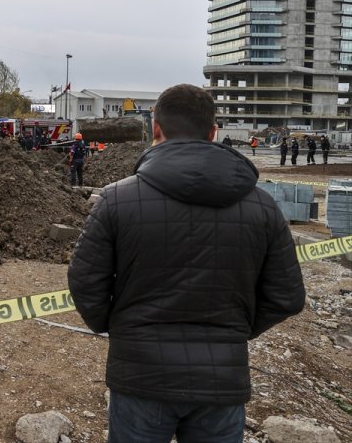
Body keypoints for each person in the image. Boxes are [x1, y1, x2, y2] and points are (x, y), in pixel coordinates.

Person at [68, 84, 305, 443]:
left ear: (156, 130)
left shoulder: (117, 199)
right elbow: (287, 295)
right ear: (213, 132)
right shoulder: (262, 207)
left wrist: (116, 325)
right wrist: (234, 331)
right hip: (221, 382)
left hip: (140, 377)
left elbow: (85, 280)